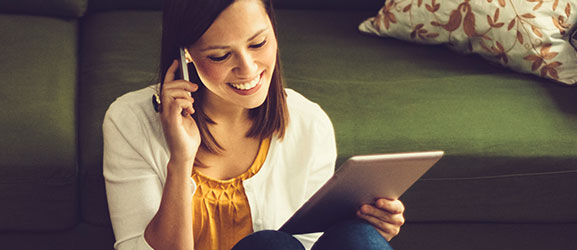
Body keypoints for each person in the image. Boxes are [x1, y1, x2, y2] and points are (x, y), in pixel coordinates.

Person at [101, 0, 406, 250]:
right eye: (220, 56)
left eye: (258, 43)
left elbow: (310, 244)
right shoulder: (129, 121)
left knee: (359, 238)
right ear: (185, 57)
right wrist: (180, 161)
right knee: (270, 245)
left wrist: (371, 225)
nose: (248, 69)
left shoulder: (308, 122)